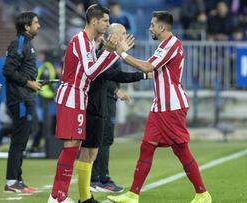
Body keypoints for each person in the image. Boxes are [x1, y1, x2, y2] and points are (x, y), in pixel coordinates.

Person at [107, 11, 212, 203]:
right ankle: (133, 194)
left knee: (181, 150)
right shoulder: (165, 45)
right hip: (160, 106)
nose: (150, 28)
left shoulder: (171, 44)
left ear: (162, 27)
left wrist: (121, 52)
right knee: (147, 147)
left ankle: (202, 193)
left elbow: (148, 67)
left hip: (171, 106)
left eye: (153, 25)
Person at [48, 4, 135, 203]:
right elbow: (91, 72)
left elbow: (93, 71)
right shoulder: (80, 40)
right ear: (94, 21)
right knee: (71, 146)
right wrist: (111, 52)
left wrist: (111, 52)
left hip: (80, 98)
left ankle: (59, 195)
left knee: (74, 146)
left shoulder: (88, 43)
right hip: (71, 97)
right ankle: (57, 196)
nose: (108, 24)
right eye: (105, 20)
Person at [90, 24, 146, 194]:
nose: (125, 36)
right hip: (103, 101)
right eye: (122, 33)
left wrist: (142, 74)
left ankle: (98, 178)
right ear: (112, 35)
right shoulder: (105, 54)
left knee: (104, 140)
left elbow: (113, 76)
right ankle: (100, 179)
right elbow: (100, 77)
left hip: (108, 100)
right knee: (103, 140)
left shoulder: (112, 54)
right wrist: (115, 89)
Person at [3, 11, 41, 193]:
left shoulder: (26, 44)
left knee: (23, 138)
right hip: (19, 98)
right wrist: (28, 83)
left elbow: (19, 70)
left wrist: (32, 82)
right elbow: (8, 70)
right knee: (19, 139)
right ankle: (11, 181)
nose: (38, 25)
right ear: (26, 26)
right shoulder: (18, 43)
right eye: (35, 22)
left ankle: (17, 179)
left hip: (25, 96)